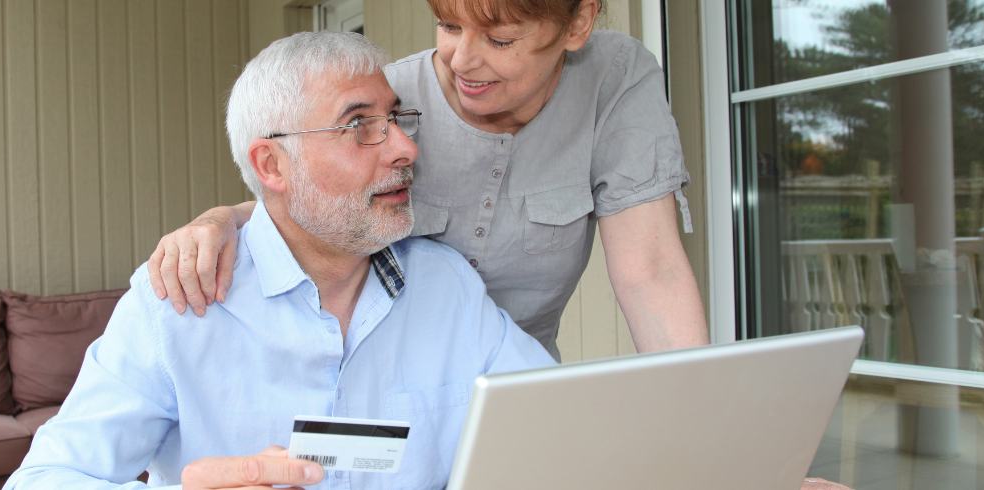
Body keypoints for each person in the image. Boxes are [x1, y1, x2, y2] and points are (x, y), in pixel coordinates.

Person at [3, 32, 555, 490]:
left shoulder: (447, 286)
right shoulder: (176, 304)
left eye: (395, 118)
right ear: (272, 165)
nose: (404, 148)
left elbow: (560, 427)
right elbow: (43, 479)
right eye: (358, 126)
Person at [147, 0, 708, 362]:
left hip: (518, 381)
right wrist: (220, 219)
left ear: (578, 23)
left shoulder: (615, 80)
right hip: (392, 384)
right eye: (448, 25)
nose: (462, 60)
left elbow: (652, 272)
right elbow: (312, 200)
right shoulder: (389, 101)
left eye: (500, 40)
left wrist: (707, 437)